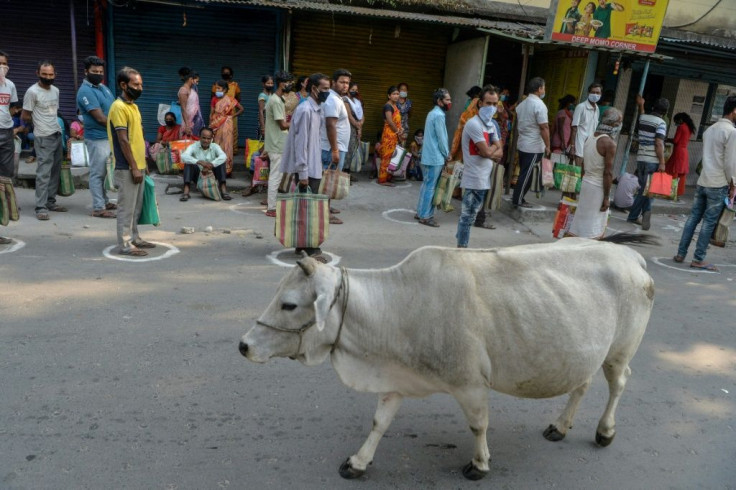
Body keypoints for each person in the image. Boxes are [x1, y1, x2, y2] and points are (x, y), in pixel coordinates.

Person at [674, 96, 736, 272]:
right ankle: (698, 258)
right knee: (709, 222)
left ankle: (681, 253)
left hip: (703, 180)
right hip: (718, 183)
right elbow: (731, 163)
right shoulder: (731, 132)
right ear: (734, 111)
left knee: (693, 218)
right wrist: (734, 185)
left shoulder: (710, 130)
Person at [280, 73, 331, 261]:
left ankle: (302, 244)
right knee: (309, 208)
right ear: (314, 88)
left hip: (314, 165)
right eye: (324, 88)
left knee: (306, 206)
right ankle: (309, 247)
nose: (327, 92)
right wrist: (302, 172)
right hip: (307, 168)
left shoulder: (317, 109)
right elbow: (300, 143)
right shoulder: (305, 110)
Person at [108, 66, 156, 256]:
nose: (140, 88)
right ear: (123, 84)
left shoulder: (133, 106)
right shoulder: (118, 107)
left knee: (136, 206)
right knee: (126, 207)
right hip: (126, 166)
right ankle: (125, 244)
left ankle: (134, 237)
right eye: (136, 84)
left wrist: (144, 164)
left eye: (141, 84)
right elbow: (123, 140)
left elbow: (138, 137)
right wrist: (134, 167)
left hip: (138, 165)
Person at [456, 87, 502, 247]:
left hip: (484, 179)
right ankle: (461, 249)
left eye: (495, 104)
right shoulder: (473, 124)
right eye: (488, 103)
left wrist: (490, 151)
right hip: (473, 179)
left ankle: (460, 242)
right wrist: (491, 151)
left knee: (470, 216)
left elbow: (498, 151)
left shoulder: (491, 125)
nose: (492, 107)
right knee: (467, 217)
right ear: (480, 103)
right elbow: (487, 151)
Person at [566, 108, 622, 239]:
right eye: (620, 122)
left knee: (581, 222)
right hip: (597, 188)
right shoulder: (609, 143)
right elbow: (607, 173)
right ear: (614, 124)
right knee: (593, 227)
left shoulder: (590, 137)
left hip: (586, 183)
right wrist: (607, 197)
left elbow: (584, 165)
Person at [22, 60, 67, 221]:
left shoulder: (56, 90)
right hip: (43, 136)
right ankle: (40, 207)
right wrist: (37, 128)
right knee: (43, 173)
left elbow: (54, 112)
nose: (48, 77)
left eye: (50, 74)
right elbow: (25, 115)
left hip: (56, 133)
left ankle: (51, 201)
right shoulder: (32, 92)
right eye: (44, 74)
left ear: (55, 75)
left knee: (55, 170)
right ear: (37, 74)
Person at [76, 55, 117, 218]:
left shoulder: (103, 87)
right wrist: (120, 128)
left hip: (108, 136)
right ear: (86, 72)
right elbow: (100, 118)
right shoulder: (85, 91)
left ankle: (105, 200)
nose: (98, 74)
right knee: (97, 172)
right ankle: (99, 207)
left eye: (101, 71)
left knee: (106, 171)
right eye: (94, 71)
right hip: (97, 137)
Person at [626, 95, 669, 230]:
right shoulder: (661, 123)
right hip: (652, 160)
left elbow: (642, 114)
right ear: (665, 112)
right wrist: (662, 162)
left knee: (646, 189)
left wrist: (641, 105)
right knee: (649, 191)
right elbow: (658, 143)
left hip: (641, 159)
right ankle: (640, 215)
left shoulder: (643, 118)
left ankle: (642, 215)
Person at [416, 88, 451, 227]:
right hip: (435, 157)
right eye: (447, 99)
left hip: (428, 155)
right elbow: (442, 138)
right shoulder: (439, 115)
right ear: (439, 101)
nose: (449, 102)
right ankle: (425, 216)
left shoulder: (432, 113)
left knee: (426, 185)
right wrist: (447, 153)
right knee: (430, 187)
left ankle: (421, 212)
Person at [512, 77, 550, 208]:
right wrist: (548, 146)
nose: (544, 90)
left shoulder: (522, 104)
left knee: (524, 173)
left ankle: (519, 197)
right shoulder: (539, 105)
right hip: (533, 146)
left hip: (523, 143)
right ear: (539, 89)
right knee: (527, 175)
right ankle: (518, 199)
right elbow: (544, 127)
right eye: (543, 87)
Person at [320, 69, 351, 224]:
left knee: (330, 179)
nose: (345, 85)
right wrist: (335, 150)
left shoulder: (337, 99)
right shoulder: (333, 100)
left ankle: (327, 207)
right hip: (331, 147)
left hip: (336, 147)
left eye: (347, 83)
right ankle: (324, 212)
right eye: (342, 82)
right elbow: (330, 125)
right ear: (333, 82)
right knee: (328, 180)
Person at [262, 70, 293, 217]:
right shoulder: (275, 101)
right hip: (277, 144)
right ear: (282, 83)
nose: (290, 85)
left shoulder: (277, 100)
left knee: (277, 175)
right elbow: (282, 125)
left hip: (278, 143)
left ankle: (274, 204)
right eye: (289, 83)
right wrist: (297, 122)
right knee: (275, 176)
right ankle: (272, 208)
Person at [180, 127, 231, 202]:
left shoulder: (215, 146)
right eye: (204, 138)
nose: (206, 141)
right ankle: (186, 191)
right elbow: (184, 156)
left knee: (221, 162)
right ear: (199, 137)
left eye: (208, 138)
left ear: (211, 139)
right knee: (188, 164)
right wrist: (198, 161)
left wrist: (211, 164)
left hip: (211, 175)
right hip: (198, 176)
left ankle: (223, 190)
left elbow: (223, 156)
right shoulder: (193, 146)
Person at [0, 50, 18, 244]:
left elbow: (13, 107)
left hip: (6, 132)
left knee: (4, 180)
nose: (1, 67)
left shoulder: (10, 85)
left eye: (4, 64)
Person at [210, 79, 244, 176]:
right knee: (216, 145)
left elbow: (241, 109)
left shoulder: (231, 99)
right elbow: (211, 113)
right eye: (216, 88)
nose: (216, 90)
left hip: (227, 124)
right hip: (216, 124)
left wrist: (232, 116)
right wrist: (211, 125)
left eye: (218, 88)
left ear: (224, 90)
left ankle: (227, 170)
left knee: (227, 145)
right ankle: (216, 169)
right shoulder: (214, 99)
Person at [210, 66, 241, 154]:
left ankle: (232, 151)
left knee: (232, 132)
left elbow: (239, 98)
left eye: (227, 72)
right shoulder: (216, 84)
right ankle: (218, 151)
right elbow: (212, 97)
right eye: (224, 72)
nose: (225, 74)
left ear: (231, 75)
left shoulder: (235, 85)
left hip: (230, 112)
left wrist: (229, 104)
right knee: (217, 134)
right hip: (218, 115)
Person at [570, 83, 602, 165]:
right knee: (577, 168)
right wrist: (572, 147)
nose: (595, 94)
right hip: (579, 143)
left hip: (590, 144)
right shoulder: (581, 107)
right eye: (593, 92)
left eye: (597, 93)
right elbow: (574, 128)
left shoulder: (597, 109)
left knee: (584, 170)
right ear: (588, 93)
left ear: (601, 94)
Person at [665, 112, 696, 197]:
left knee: (673, 171)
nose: (676, 123)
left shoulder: (681, 127)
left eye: (676, 121)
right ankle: (678, 193)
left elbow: (675, 141)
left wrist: (667, 139)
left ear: (680, 120)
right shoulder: (689, 127)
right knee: (681, 173)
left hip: (678, 151)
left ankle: (671, 192)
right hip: (684, 151)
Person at [378, 86, 401, 186]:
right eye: (394, 94)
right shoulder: (388, 106)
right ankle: (382, 180)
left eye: (397, 94)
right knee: (386, 157)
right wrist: (398, 131)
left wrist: (400, 129)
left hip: (394, 134)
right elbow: (390, 122)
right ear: (389, 96)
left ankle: (388, 177)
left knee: (392, 157)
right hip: (389, 135)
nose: (396, 96)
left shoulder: (395, 106)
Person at [344, 81, 364, 181]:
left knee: (353, 150)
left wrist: (360, 127)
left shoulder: (357, 101)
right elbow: (349, 116)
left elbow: (362, 115)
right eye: (352, 90)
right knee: (347, 151)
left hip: (356, 128)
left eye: (356, 90)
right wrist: (357, 126)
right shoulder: (345, 100)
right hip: (349, 128)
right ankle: (344, 176)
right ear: (348, 90)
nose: (354, 92)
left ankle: (349, 174)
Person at [178, 70, 204, 138]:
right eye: (196, 80)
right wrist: (187, 125)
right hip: (188, 121)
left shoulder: (193, 90)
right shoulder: (183, 90)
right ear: (190, 79)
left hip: (196, 120)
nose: (197, 83)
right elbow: (183, 109)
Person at [257, 74, 274, 139]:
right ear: (263, 84)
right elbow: (261, 112)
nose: (270, 85)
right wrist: (263, 128)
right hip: (265, 121)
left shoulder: (271, 95)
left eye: (272, 83)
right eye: (268, 83)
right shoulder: (262, 96)